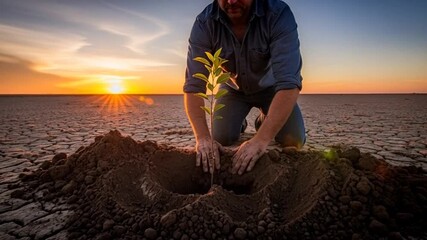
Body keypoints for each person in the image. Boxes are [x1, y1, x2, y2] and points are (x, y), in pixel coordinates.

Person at [184, 0, 306, 175]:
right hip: (232, 90)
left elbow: (289, 83)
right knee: (221, 138)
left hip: (272, 90)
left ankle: (264, 120)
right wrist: (202, 138)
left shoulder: (278, 14)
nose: (232, 1)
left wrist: (261, 140)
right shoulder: (205, 23)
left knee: (294, 140)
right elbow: (194, 85)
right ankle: (238, 120)